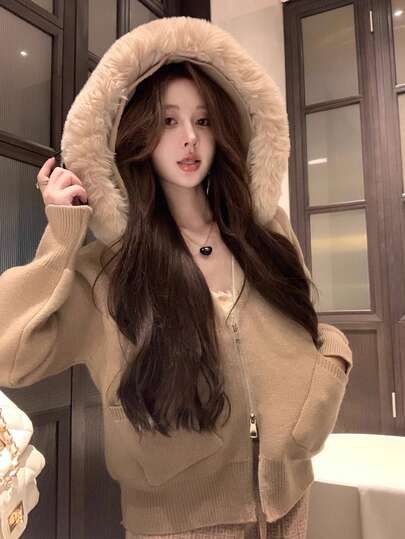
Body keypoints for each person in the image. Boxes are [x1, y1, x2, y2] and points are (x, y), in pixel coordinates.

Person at [0, 16, 353, 539]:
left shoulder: (266, 233)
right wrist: (62, 234)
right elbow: (12, 354)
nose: (189, 138)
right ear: (138, 132)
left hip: (289, 503)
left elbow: (306, 323)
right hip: (179, 525)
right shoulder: (109, 271)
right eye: (168, 121)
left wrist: (333, 360)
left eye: (203, 120)